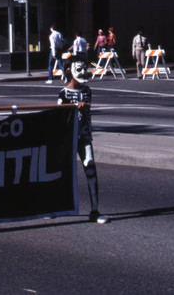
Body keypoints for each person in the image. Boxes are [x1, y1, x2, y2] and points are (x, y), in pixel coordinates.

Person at [57, 58, 108, 224]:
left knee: (90, 165)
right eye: (78, 69)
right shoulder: (63, 94)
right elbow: (58, 116)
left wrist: (82, 107)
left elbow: (87, 107)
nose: (83, 72)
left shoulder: (87, 90)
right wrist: (72, 108)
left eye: (84, 68)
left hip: (84, 136)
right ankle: (54, 206)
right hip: (67, 137)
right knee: (62, 172)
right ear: (70, 72)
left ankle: (94, 210)